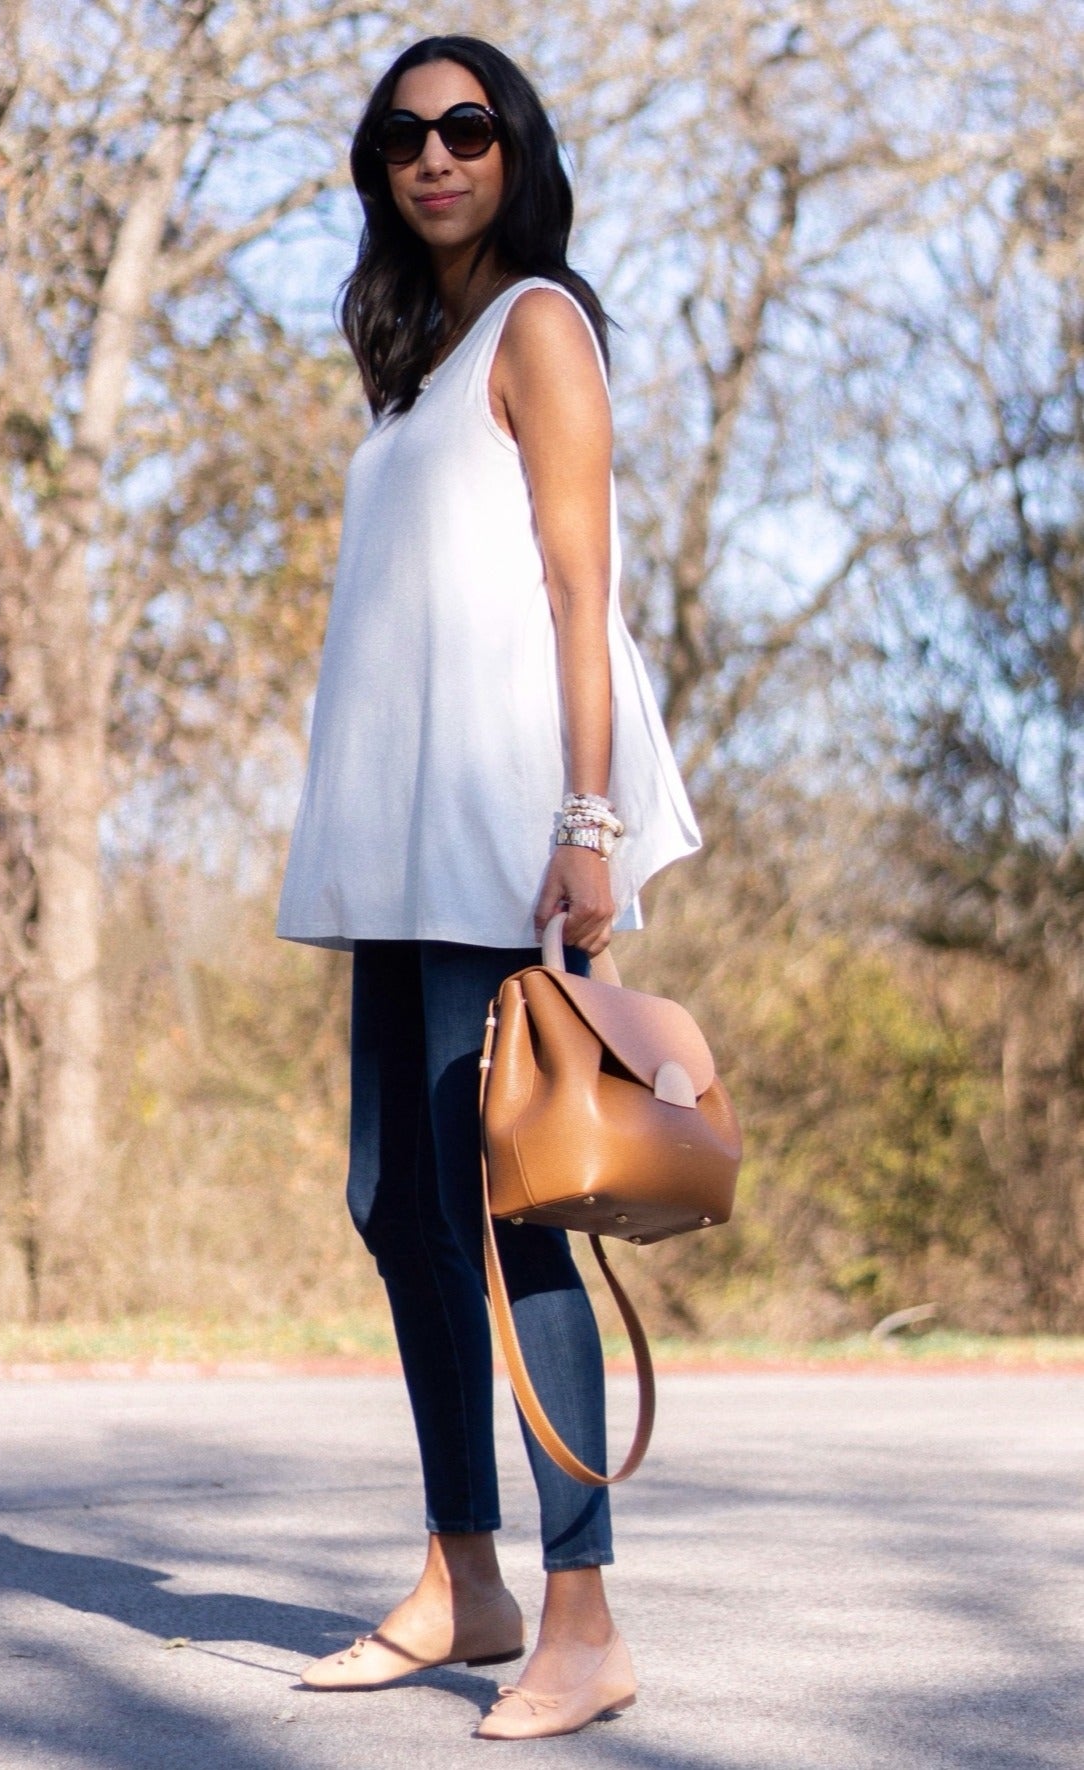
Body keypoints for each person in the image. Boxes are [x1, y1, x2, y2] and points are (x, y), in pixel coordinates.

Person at [275, 34, 699, 1741]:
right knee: (397, 1196)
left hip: (500, 829)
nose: (434, 156)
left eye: (464, 127)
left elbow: (584, 585)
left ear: (514, 147)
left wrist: (589, 821)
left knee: (508, 1202)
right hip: (397, 843)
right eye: (403, 136)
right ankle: (467, 1573)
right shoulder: (420, 366)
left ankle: (583, 1613)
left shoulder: (539, 326)